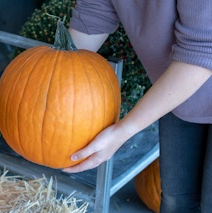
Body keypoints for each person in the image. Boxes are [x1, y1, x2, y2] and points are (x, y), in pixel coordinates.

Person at [62, 1, 212, 212]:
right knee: (175, 202)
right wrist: (55, 84)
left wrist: (123, 131)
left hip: (189, 74)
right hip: (176, 95)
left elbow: (202, 51)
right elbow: (94, 11)